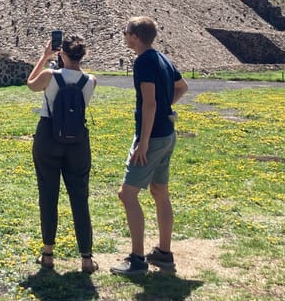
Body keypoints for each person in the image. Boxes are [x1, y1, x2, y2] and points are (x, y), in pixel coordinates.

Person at [111, 16, 188, 276]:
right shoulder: (162, 58)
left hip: (152, 138)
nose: (124, 36)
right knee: (159, 192)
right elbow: (182, 86)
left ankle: (137, 259)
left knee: (127, 194)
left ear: (134, 36)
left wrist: (142, 143)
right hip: (167, 133)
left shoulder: (143, 61)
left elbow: (150, 103)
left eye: (126, 32)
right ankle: (164, 254)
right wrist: (168, 106)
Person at [26, 34, 98, 272]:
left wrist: (45, 56)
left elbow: (31, 83)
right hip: (77, 141)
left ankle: (47, 253)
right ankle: (86, 257)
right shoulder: (91, 81)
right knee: (80, 197)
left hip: (48, 135)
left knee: (48, 194)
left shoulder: (50, 76)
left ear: (62, 54)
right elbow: (78, 75)